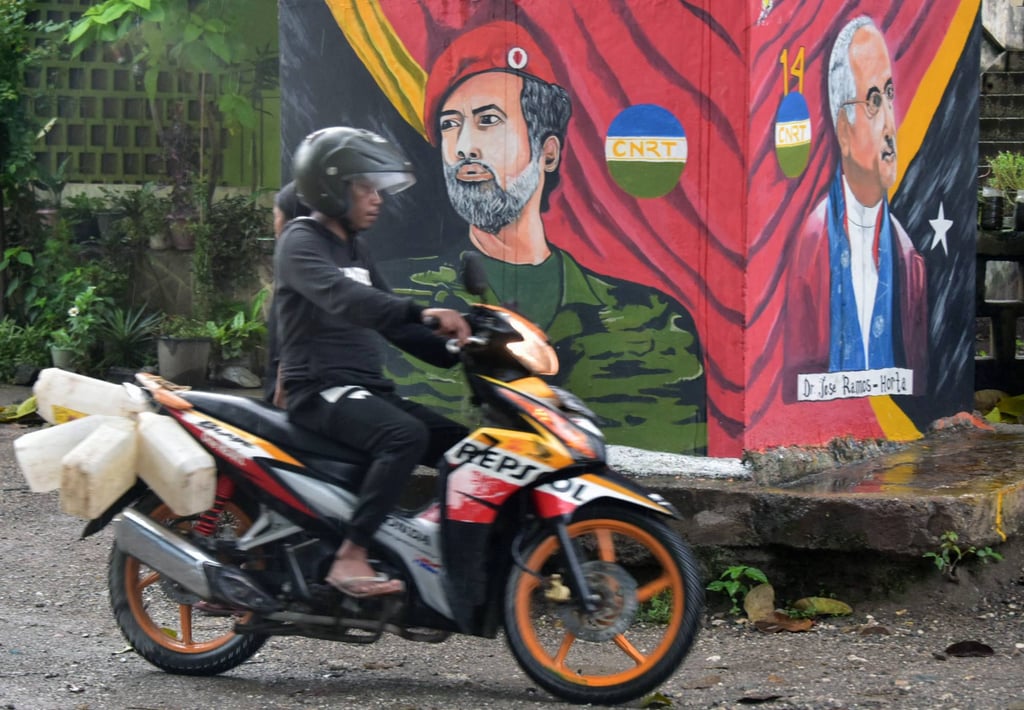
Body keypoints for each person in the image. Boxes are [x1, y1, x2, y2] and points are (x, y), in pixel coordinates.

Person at [386, 20, 707, 454]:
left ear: (548, 152)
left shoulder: (653, 321)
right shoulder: (402, 299)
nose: (464, 146)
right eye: (450, 125)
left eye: (488, 120)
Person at [274, 126, 470, 598]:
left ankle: (430, 551)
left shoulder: (355, 248)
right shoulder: (302, 242)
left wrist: (463, 350)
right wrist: (421, 312)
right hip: (318, 388)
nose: (377, 198)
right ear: (330, 187)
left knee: (467, 450)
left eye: (378, 188)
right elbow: (350, 300)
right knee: (405, 436)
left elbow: (393, 320)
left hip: (361, 389)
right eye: (365, 187)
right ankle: (351, 556)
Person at [786, 16, 927, 389]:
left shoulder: (907, 259)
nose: (889, 125)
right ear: (843, 131)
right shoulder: (810, 247)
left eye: (890, 95)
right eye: (873, 101)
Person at [263, 181, 310, 404]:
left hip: (290, 393)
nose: (274, 225)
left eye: (276, 216)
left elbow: (293, 332)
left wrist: (280, 395)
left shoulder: (297, 261)